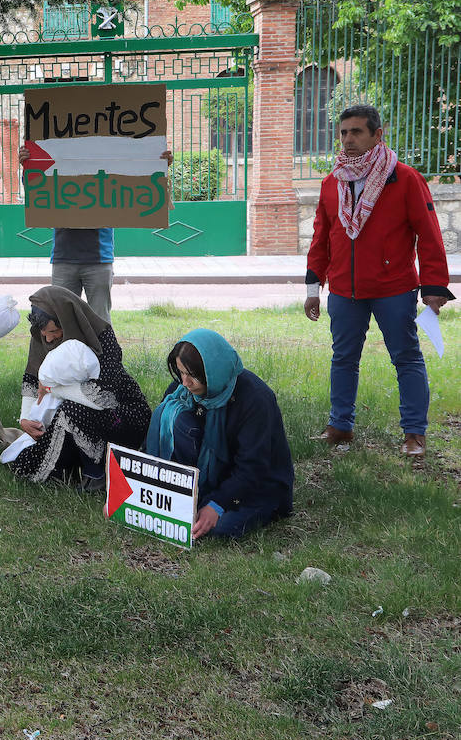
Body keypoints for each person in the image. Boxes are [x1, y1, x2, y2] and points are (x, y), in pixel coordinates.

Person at [305, 104, 453, 457]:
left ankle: (415, 434)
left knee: (406, 358)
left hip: (394, 289)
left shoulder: (404, 178)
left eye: (356, 132)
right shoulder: (332, 182)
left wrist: (434, 287)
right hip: (344, 290)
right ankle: (340, 425)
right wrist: (313, 288)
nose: (348, 139)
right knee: (343, 358)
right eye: (343, 132)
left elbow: (429, 234)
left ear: (377, 135)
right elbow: (320, 239)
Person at [147, 329, 294, 540]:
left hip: (256, 484)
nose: (185, 382)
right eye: (181, 372)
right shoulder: (181, 389)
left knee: (219, 528)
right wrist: (131, 496)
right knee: (177, 417)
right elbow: (157, 439)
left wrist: (218, 504)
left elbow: (253, 467)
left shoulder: (255, 400)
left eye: (192, 375)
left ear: (212, 371)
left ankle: (208, 500)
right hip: (211, 477)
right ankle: (195, 496)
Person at [12, 286, 150, 489]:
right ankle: (72, 467)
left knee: (70, 410)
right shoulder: (43, 336)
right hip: (76, 411)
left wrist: (52, 388)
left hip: (121, 414)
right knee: (25, 461)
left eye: (52, 332)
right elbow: (33, 378)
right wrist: (26, 418)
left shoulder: (102, 336)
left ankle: (98, 472)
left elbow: (101, 397)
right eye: (44, 334)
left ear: (67, 321)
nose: (48, 339)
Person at [19, 146, 172, 321]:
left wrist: (158, 165)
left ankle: (102, 350)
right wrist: (28, 165)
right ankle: (68, 350)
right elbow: (39, 187)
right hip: (64, 257)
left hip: (98, 259)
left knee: (100, 322)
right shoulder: (62, 159)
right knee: (63, 321)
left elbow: (136, 178)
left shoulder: (107, 161)